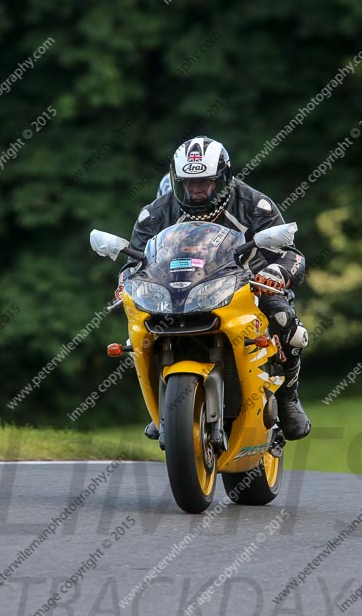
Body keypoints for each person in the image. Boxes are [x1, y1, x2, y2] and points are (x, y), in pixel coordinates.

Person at [119, 136, 311, 442]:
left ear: (222, 178)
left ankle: (288, 399)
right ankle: (165, 407)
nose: (195, 189)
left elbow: (291, 253)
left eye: (205, 181)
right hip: (177, 292)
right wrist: (125, 280)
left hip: (248, 284)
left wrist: (276, 272)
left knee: (287, 324)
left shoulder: (255, 204)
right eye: (188, 182)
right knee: (141, 330)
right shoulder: (155, 213)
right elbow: (136, 261)